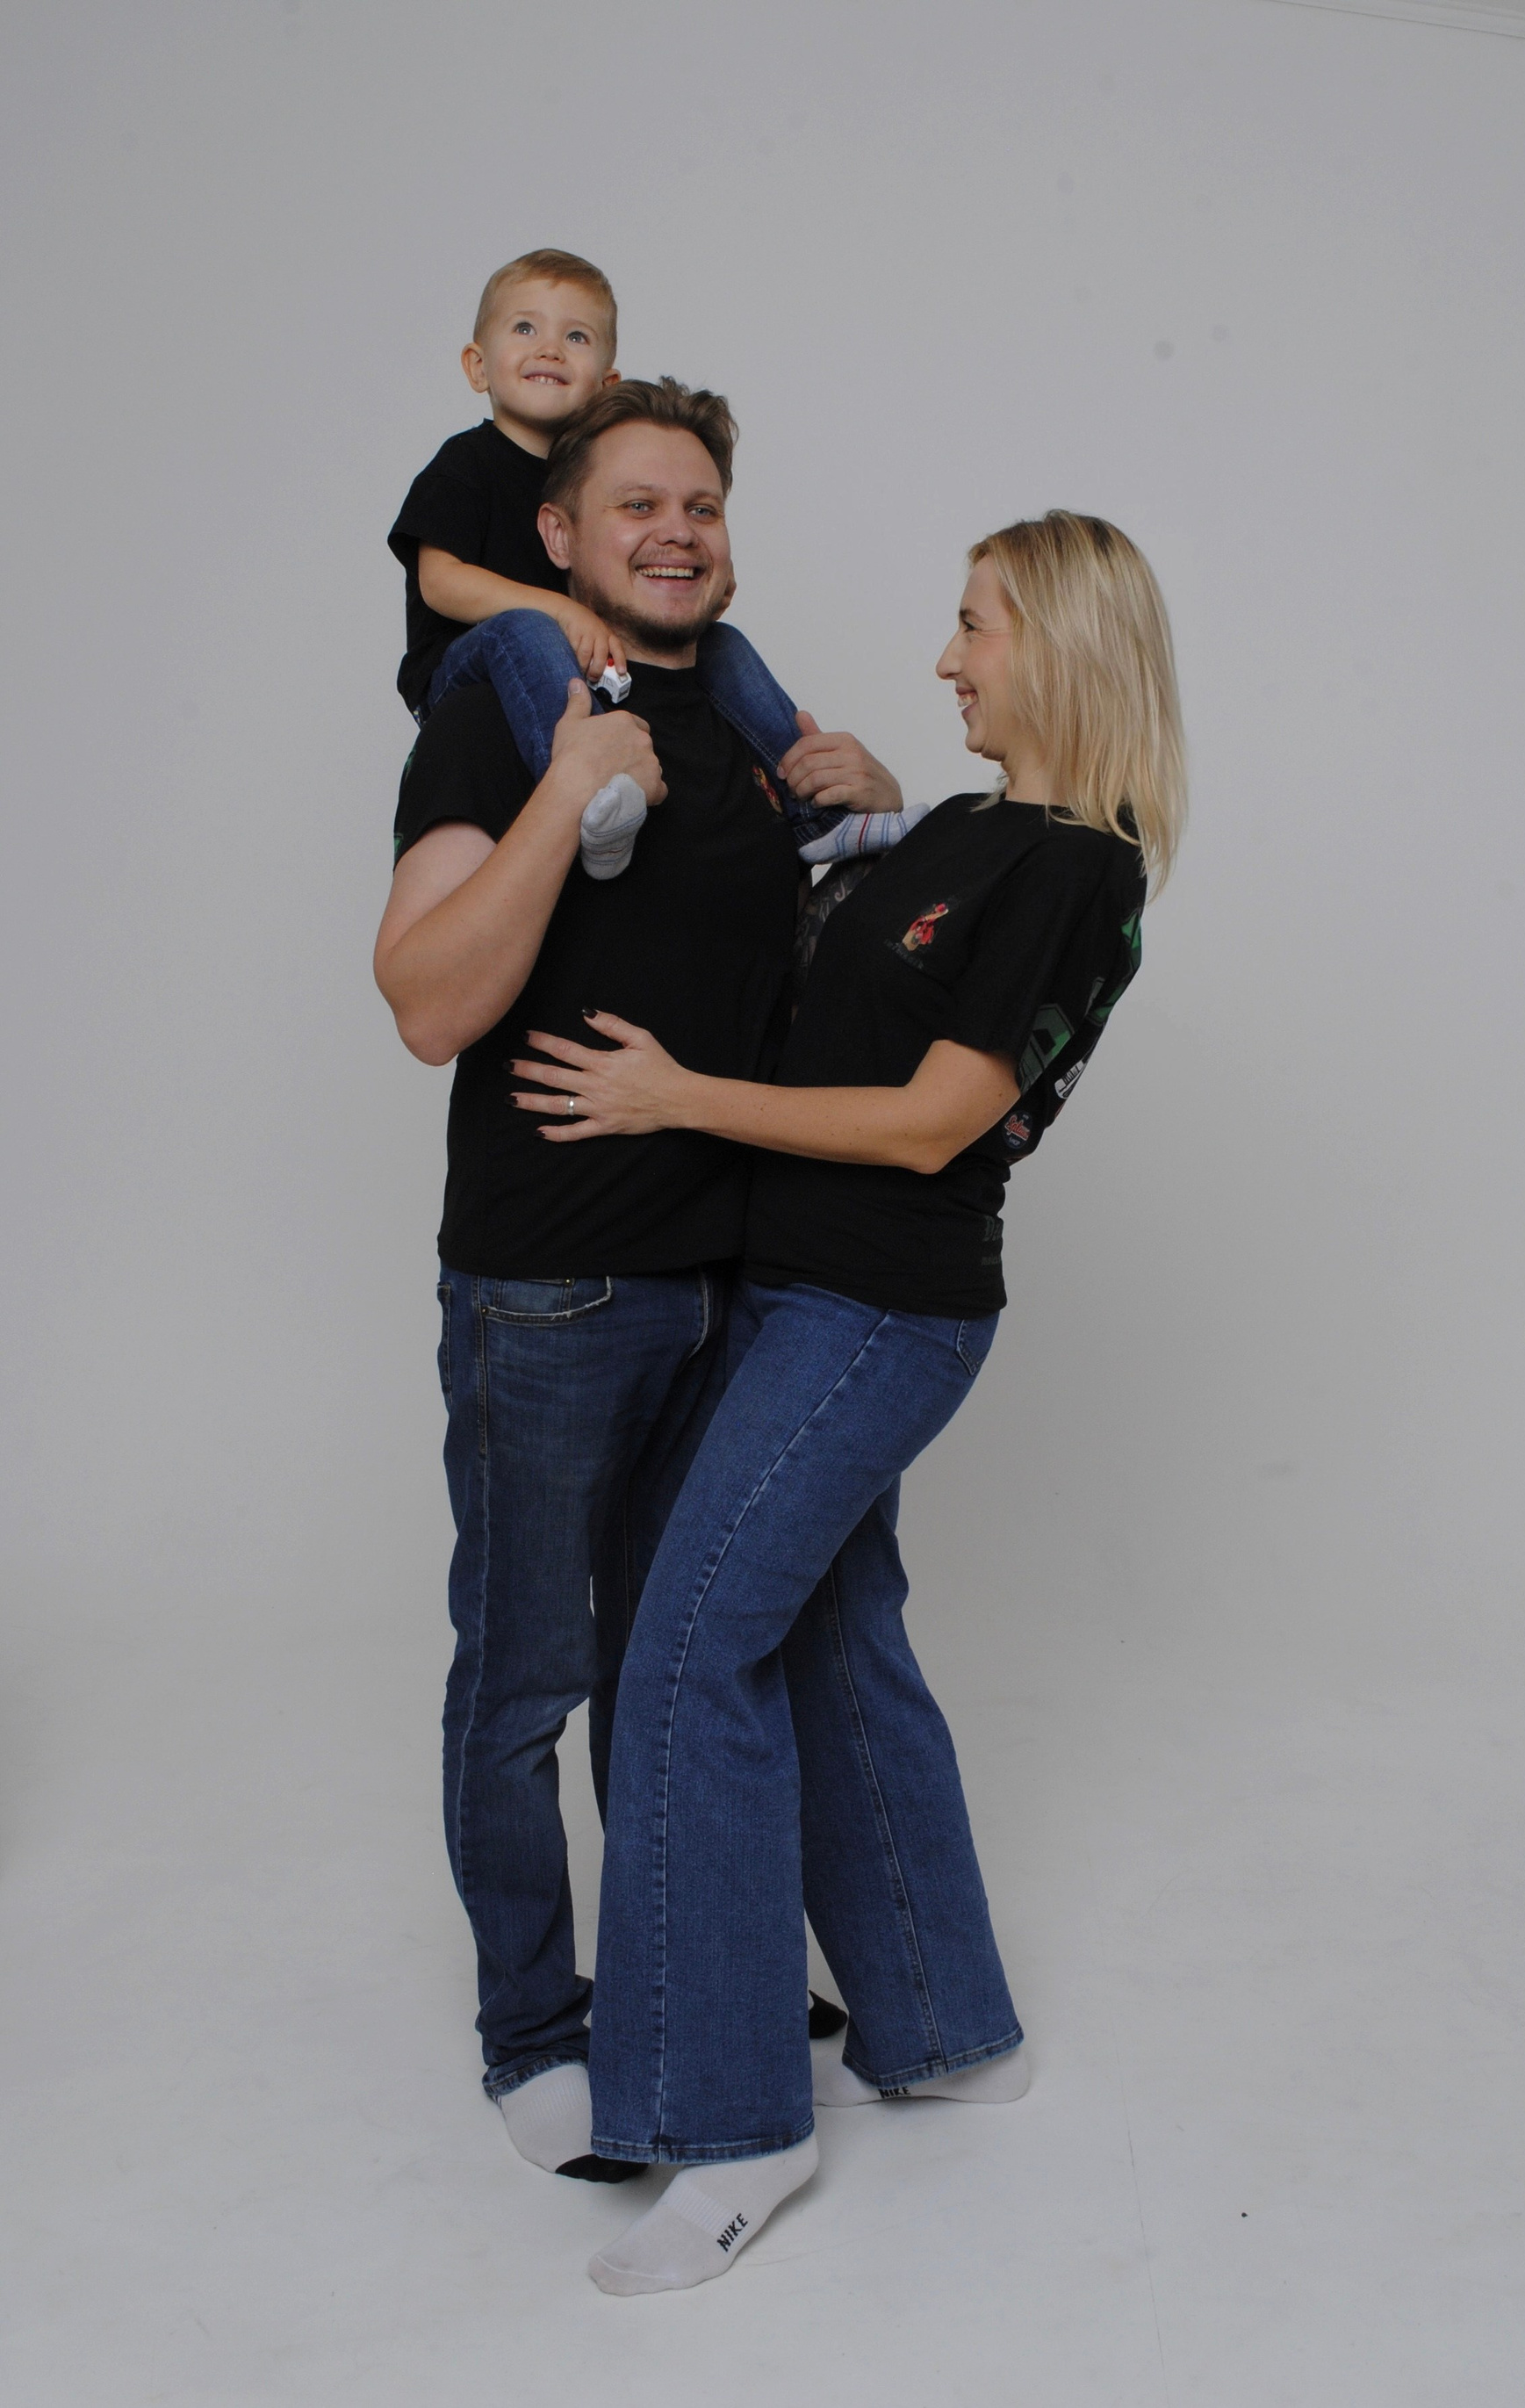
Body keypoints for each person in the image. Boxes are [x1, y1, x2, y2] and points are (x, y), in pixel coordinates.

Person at [505, 509, 1188, 2291]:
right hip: (793, 1292)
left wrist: (675, 1097)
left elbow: (933, 1120)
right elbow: (826, 955)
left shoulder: (1081, 871)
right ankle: (948, 2031)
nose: (948, 657)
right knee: (827, 1640)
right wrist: (859, 808)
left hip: (881, 1313)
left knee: (682, 1652)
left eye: (976, 626)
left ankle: (732, 2123)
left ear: (1060, 643)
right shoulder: (963, 828)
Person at [373, 375, 900, 2182]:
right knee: (529, 1677)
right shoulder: (502, 709)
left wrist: (874, 803)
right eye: (637, 505)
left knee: (687, 1666)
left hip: (739, 1288)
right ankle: (532, 2024)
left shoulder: (750, 727)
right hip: (552, 1292)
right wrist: (563, 798)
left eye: (701, 505)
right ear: (560, 535)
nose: (676, 532)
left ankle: (689, 1974)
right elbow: (426, 1000)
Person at [390, 248, 921, 876]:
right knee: (524, 628)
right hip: (465, 665)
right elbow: (440, 582)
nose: (550, 350)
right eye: (525, 328)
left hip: (569, 663)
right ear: (477, 366)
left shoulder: (590, 471)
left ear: (606, 383)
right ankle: (595, 799)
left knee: (723, 644)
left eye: (576, 336)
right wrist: (558, 610)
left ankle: (818, 814)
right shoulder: (464, 464)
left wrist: (700, 580)